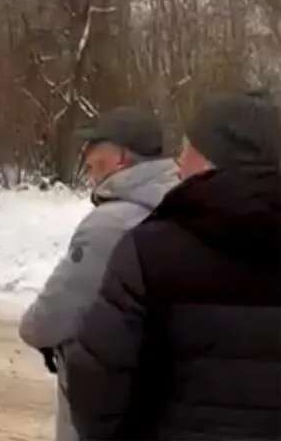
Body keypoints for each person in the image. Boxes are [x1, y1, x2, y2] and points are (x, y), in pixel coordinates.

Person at [67, 90, 281, 440]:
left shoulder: (148, 251)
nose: (179, 165)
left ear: (210, 159)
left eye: (186, 151)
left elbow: (96, 384)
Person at [19, 107, 179, 441]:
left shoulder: (109, 224)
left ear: (121, 156)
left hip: (104, 397)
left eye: (95, 146)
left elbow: (50, 318)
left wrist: (35, 332)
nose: (86, 155)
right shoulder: (184, 203)